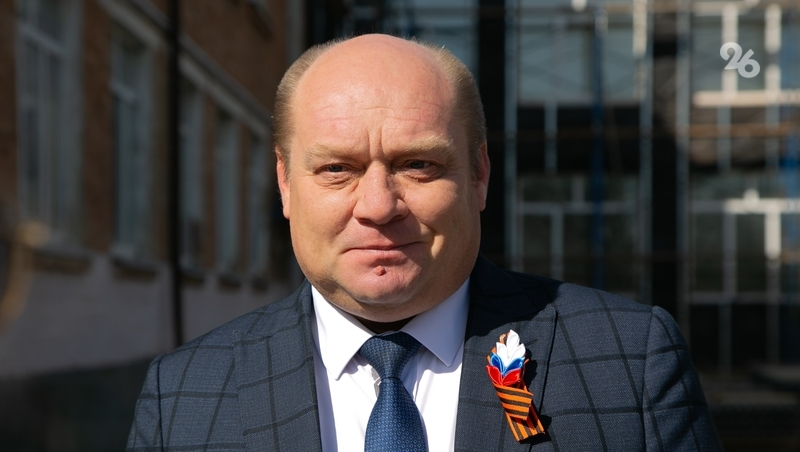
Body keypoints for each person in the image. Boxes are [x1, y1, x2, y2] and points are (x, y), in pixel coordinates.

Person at [127, 34, 721, 451]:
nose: (378, 205)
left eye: (417, 164)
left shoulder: (631, 363)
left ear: (479, 175)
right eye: (337, 169)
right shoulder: (184, 394)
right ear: (285, 184)